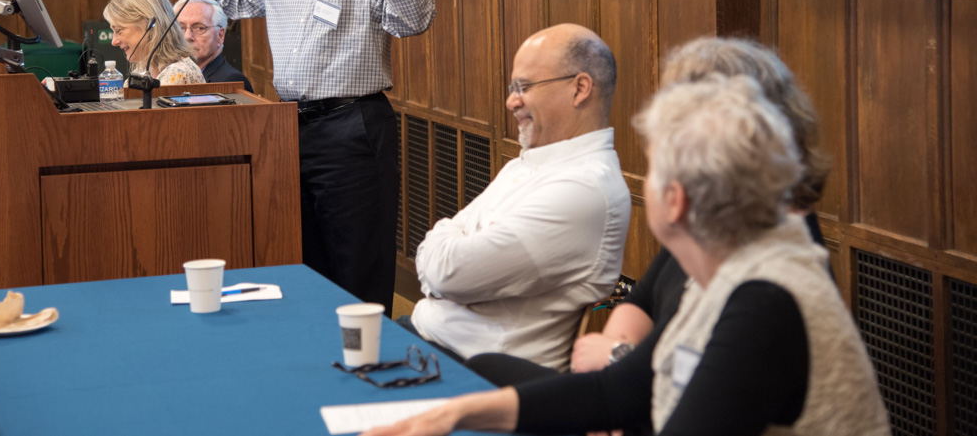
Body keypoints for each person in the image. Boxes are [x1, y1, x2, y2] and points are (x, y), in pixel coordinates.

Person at [364, 76, 890, 436]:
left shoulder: (765, 299)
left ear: (676, 199)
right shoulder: (728, 265)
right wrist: (452, 414)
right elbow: (626, 388)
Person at [469, 36, 833, 395]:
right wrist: (615, 365)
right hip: (642, 389)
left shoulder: (773, 273)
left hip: (663, 405)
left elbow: (683, 384)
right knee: (484, 368)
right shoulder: (717, 215)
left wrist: (615, 359)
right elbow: (644, 301)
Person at [203, 0, 435, 314]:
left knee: (357, 276)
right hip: (289, 131)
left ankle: (366, 373)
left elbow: (412, 20)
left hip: (354, 130)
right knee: (303, 272)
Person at [405, 24, 630, 371]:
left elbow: (448, 274)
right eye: (513, 88)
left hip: (475, 375)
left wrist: (448, 251)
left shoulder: (584, 189)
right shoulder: (524, 164)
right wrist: (446, 253)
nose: (511, 101)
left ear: (580, 88)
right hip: (427, 341)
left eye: (524, 87)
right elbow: (444, 261)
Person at [103, 0, 205, 86]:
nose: (114, 41)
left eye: (119, 31)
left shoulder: (178, 73)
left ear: (149, 25)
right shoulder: (142, 71)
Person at [172, 0, 253, 90]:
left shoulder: (231, 81)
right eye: (181, 28)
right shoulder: (172, 73)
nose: (187, 37)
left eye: (199, 28)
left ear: (220, 36)